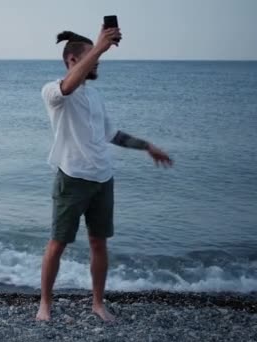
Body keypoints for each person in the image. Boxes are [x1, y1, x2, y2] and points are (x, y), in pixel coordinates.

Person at [36, 25, 173, 322]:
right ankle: (45, 303)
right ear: (72, 60)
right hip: (71, 179)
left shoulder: (94, 96)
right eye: (92, 57)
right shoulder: (53, 91)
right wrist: (100, 46)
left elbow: (112, 134)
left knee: (99, 242)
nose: (98, 62)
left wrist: (147, 146)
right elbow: (67, 87)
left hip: (103, 179)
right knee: (57, 243)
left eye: (98, 56)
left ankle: (98, 303)